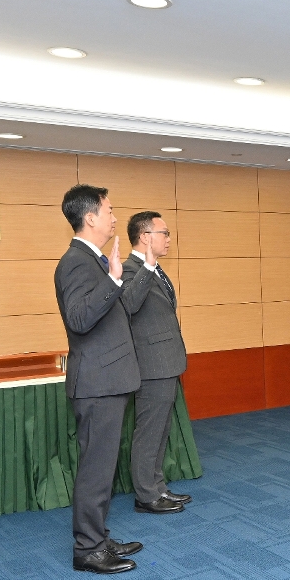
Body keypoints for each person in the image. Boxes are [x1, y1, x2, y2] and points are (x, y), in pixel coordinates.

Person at [55, 184, 153, 574]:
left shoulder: (92, 260)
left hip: (108, 380)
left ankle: (98, 537)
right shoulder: (75, 263)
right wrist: (113, 281)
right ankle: (88, 550)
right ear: (90, 217)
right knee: (95, 470)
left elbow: (116, 312)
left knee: (102, 467)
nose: (114, 217)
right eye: (109, 210)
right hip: (98, 382)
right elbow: (79, 318)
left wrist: (117, 280)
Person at [122, 211, 191, 515]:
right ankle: (146, 495)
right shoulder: (129, 269)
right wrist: (148, 266)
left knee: (161, 429)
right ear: (145, 237)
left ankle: (157, 487)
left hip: (165, 362)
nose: (169, 239)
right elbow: (129, 304)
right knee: (149, 431)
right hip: (151, 365)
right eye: (164, 233)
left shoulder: (153, 269)